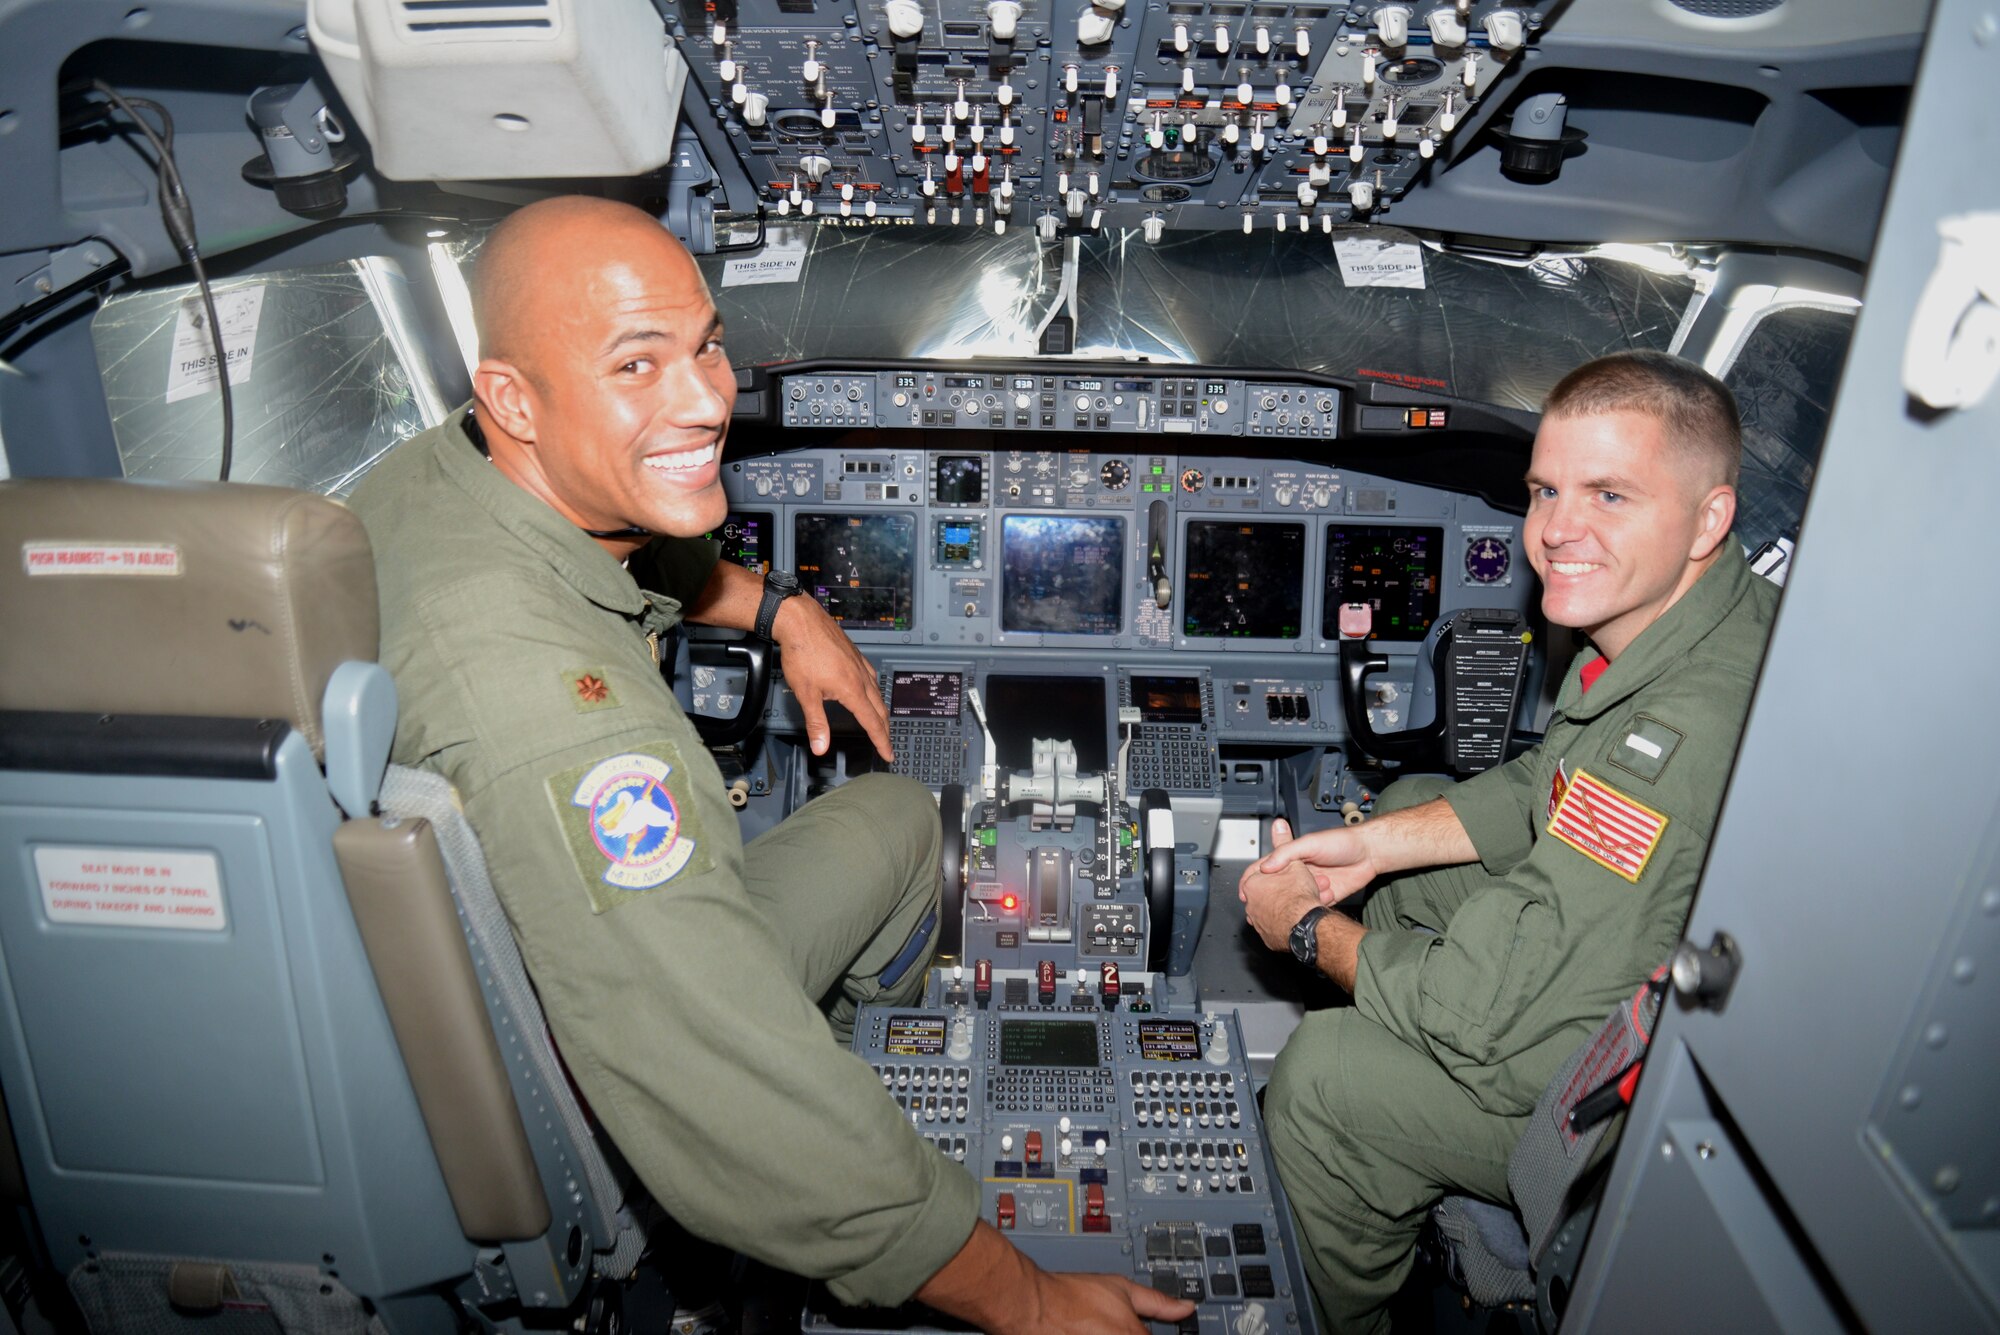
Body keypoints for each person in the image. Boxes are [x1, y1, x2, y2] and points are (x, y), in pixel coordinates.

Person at [350, 197, 1191, 1334]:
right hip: (575, 1049)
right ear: (510, 397)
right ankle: (841, 1128)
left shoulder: (425, 483)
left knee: (894, 814)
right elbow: (716, 1077)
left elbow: (606, 551)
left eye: (703, 343)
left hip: (467, 978)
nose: (707, 397)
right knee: (802, 1016)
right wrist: (1028, 1298)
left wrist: (784, 606)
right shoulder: (570, 729)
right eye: (635, 364)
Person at [1235, 350, 1780, 1332]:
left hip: (1630, 1091)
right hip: (1633, 950)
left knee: (1319, 1076)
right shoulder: (1682, 625)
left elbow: (1471, 1010)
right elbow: (1544, 779)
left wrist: (1306, 930)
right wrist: (1373, 850)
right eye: (1543, 492)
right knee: (1405, 809)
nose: (1555, 534)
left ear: (1709, 518)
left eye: (1609, 495)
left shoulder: (1670, 742)